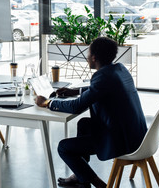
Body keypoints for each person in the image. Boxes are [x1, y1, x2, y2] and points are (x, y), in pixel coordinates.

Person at [35, 37, 147, 188]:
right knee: (84, 124)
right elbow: (101, 88)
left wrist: (47, 103)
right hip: (136, 134)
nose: (86, 57)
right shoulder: (119, 69)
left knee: (63, 147)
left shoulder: (102, 77)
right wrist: (74, 90)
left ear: (93, 57)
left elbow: (76, 106)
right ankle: (81, 176)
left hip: (121, 141)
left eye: (88, 53)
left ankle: (99, 184)